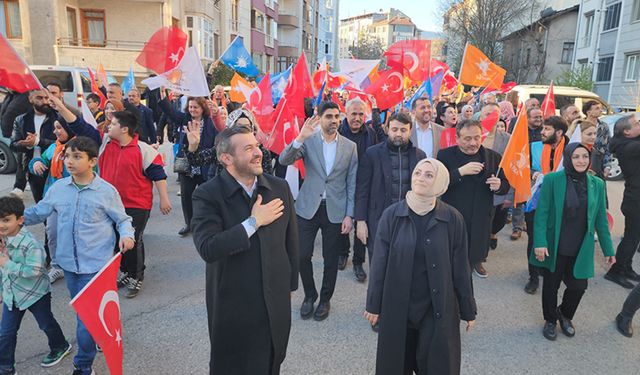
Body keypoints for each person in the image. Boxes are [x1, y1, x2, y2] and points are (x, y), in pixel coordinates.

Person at [191, 125, 299, 375]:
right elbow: (208, 248)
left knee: (272, 360)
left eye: (257, 146)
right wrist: (253, 222)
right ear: (226, 158)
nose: (258, 152)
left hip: (274, 299)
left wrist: (289, 286)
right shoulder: (207, 195)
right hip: (234, 304)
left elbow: (290, 242)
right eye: (248, 148)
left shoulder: (279, 187)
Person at [23, 136, 135, 375]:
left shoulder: (106, 191)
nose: (69, 162)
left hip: (96, 268)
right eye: (67, 156)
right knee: (86, 317)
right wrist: (10, 218)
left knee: (84, 320)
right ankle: (95, 335)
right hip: (69, 266)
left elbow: (123, 220)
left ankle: (83, 366)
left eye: (77, 157)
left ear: (92, 161)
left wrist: (127, 236)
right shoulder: (58, 189)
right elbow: (37, 213)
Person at [364, 158, 476, 375]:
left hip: (436, 308)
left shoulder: (453, 219)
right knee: (396, 364)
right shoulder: (392, 215)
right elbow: (379, 264)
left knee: (437, 365)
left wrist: (468, 309)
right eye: (417, 173)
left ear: (440, 182)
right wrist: (373, 305)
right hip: (399, 307)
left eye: (428, 175)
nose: (420, 178)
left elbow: (461, 268)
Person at [60, 98, 171, 298]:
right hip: (109, 205)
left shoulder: (143, 150)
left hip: (137, 205)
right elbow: (79, 125)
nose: (107, 126)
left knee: (133, 240)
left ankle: (137, 275)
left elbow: (158, 175)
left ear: (125, 129)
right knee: (116, 241)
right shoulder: (103, 142)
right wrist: (60, 106)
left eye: (112, 124)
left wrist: (164, 199)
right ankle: (127, 273)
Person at [279, 101, 358, 321]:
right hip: (308, 208)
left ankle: (324, 300)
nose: (334, 120)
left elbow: (352, 183)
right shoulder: (309, 141)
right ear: (320, 118)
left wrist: (349, 214)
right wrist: (300, 138)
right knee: (302, 255)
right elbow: (284, 159)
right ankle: (309, 295)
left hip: (336, 209)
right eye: (329, 116)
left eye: (336, 116)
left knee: (330, 259)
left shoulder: (350, 147)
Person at [531, 143, 615, 340]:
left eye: (585, 157)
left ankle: (565, 315)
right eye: (576, 157)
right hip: (555, 244)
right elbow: (541, 214)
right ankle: (550, 320)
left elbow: (601, 220)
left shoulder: (597, 184)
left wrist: (608, 250)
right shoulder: (553, 180)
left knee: (579, 286)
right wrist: (540, 242)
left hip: (581, 246)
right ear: (568, 158)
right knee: (551, 286)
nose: (581, 161)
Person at [0, 196, 72, 375]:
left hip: (36, 294)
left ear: (20, 220)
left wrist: (6, 263)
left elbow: (35, 270)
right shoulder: (2, 240)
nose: (1, 225)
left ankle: (60, 346)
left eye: (6, 220)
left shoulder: (31, 244)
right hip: (13, 296)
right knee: (6, 333)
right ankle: (6, 368)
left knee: (46, 323)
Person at [355, 112, 426, 286]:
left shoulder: (420, 156)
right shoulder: (372, 154)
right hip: (378, 220)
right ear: (387, 130)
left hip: (409, 220)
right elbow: (362, 190)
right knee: (379, 267)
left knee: (406, 268)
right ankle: (375, 307)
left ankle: (397, 306)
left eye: (403, 130)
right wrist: (361, 221)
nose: (398, 134)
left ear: (410, 131)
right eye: (394, 129)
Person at [28, 113, 99, 285]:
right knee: (52, 233)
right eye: (55, 127)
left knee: (78, 235)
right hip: (53, 201)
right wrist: (36, 162)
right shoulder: (54, 147)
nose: (55, 131)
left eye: (59, 128)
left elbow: (92, 173)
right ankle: (57, 266)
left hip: (77, 201)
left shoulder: (81, 150)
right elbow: (38, 160)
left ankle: (84, 268)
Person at [437, 119, 509, 277]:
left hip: (481, 211)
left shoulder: (493, 157)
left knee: (478, 242)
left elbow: (505, 184)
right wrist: (460, 172)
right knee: (455, 244)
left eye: (477, 138)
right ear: (457, 138)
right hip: (455, 210)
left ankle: (477, 262)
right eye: (467, 138)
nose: (473, 143)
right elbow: (438, 183)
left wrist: (499, 185)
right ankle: (453, 267)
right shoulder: (445, 155)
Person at [159, 90, 217, 236]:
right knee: (187, 197)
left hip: (205, 166)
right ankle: (189, 224)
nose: (192, 110)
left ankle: (204, 224)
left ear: (203, 108)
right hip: (187, 166)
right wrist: (163, 96)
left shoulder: (211, 122)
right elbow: (170, 112)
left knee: (205, 197)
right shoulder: (185, 119)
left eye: (195, 107)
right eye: (190, 107)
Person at [524, 115, 568, 294]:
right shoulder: (534, 147)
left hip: (559, 203)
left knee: (552, 238)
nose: (541, 132)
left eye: (546, 129)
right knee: (534, 239)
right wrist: (534, 173)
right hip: (535, 200)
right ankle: (533, 277)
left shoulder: (571, 149)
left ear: (559, 132)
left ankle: (546, 267)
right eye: (542, 128)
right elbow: (523, 166)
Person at [337, 97, 379, 276]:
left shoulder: (370, 134)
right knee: (343, 220)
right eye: (353, 113)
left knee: (362, 221)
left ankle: (358, 261)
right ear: (345, 114)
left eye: (361, 114)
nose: (357, 117)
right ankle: (342, 253)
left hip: (365, 184)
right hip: (342, 184)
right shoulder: (338, 131)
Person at [604, 115, 640, 289]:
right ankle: (615, 271)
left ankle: (626, 267)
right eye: (636, 124)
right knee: (631, 238)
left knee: (634, 237)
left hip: (635, 197)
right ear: (627, 132)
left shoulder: (628, 143)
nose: (639, 125)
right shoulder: (630, 147)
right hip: (635, 199)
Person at [9, 89, 57, 203]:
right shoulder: (21, 120)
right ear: (31, 99)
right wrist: (27, 145)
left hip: (53, 167)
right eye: (39, 98)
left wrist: (38, 142)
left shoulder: (57, 118)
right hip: (32, 169)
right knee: (40, 203)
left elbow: (61, 144)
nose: (45, 101)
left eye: (46, 97)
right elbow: (13, 145)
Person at [510, 107, 544, 242]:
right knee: (520, 198)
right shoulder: (520, 131)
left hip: (539, 171)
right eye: (536, 117)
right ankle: (517, 227)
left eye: (541, 117)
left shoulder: (544, 131)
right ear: (528, 119)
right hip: (522, 166)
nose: (539, 119)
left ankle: (532, 224)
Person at [583, 100, 611, 172]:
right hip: (582, 161)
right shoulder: (580, 125)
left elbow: (608, 146)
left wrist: (607, 166)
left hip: (599, 162)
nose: (601, 110)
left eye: (600, 108)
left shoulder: (604, 126)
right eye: (597, 108)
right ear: (589, 112)